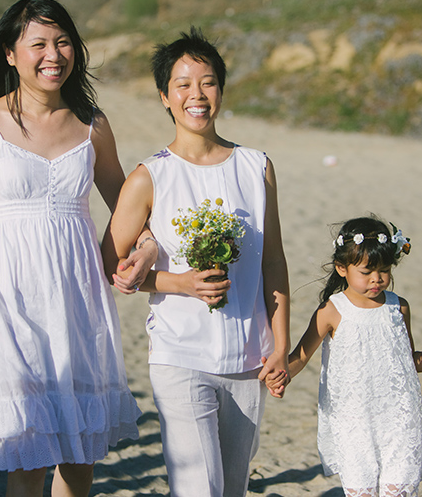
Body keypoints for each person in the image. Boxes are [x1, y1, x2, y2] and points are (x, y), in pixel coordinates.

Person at [0, 0, 152, 496]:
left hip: (78, 304)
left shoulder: (93, 126)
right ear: (10, 54)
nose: (53, 54)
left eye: (62, 42)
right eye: (38, 43)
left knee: (78, 456)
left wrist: (145, 248)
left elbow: (129, 206)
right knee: (29, 456)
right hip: (10, 307)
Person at [103, 28, 291, 497]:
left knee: (231, 488)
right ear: (165, 96)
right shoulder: (151, 176)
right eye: (183, 84)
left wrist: (281, 342)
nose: (197, 95)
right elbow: (111, 264)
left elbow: (274, 262)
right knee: (196, 489)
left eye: (207, 82)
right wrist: (178, 283)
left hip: (249, 356)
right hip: (180, 355)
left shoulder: (256, 166)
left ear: (221, 91)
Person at [264, 216, 422, 497]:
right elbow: (301, 356)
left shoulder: (398, 307)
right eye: (367, 271)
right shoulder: (332, 310)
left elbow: (409, 361)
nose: (377, 279)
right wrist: (281, 376)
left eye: (384, 270)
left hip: (399, 419)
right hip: (354, 422)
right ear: (342, 268)